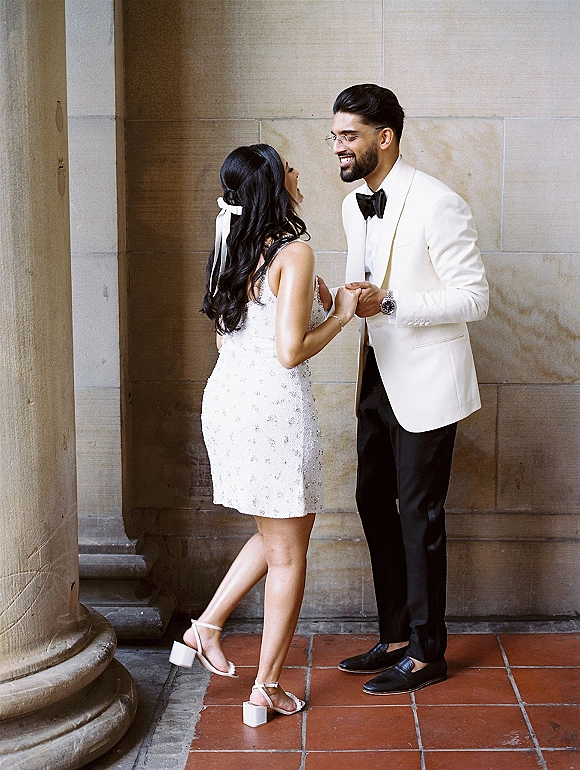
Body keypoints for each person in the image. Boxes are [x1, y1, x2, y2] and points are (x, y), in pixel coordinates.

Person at [169, 144, 360, 725]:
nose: (299, 171)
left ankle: (204, 629)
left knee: (277, 536)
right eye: (290, 165)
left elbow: (234, 337)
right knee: (290, 554)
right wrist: (341, 316)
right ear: (276, 184)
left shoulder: (231, 242)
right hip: (272, 410)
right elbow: (288, 353)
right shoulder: (294, 251)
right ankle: (266, 690)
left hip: (227, 402)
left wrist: (309, 304)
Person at [328, 85, 489, 695]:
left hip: (428, 380)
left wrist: (390, 302)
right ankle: (395, 635)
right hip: (375, 376)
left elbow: (475, 297)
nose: (338, 148)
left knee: (420, 514)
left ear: (384, 137)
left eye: (349, 136)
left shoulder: (439, 201)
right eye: (335, 136)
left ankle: (427, 652)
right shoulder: (353, 205)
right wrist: (335, 298)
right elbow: (360, 283)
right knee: (373, 501)